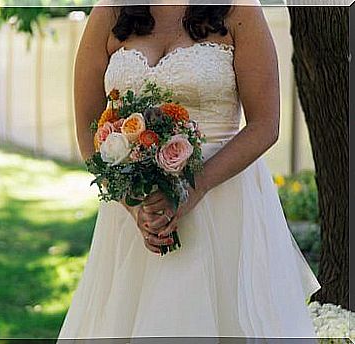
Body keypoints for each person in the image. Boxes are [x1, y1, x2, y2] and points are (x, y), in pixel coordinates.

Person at [57, 2, 321, 339]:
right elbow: (88, 130)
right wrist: (133, 204)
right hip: (137, 215)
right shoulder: (110, 10)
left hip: (223, 207)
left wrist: (194, 189)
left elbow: (265, 125)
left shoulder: (239, 10)